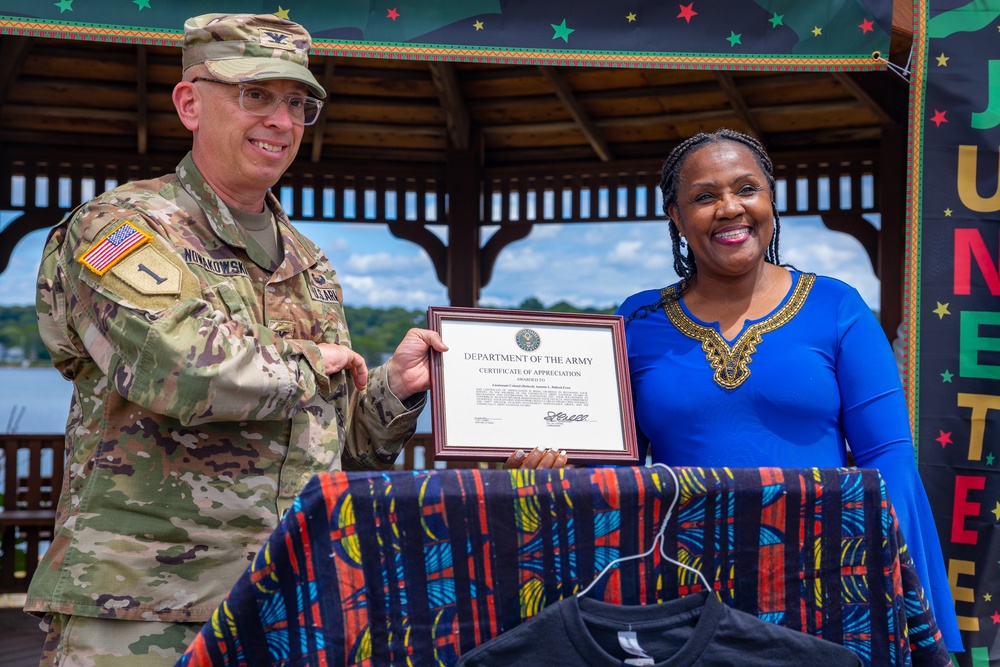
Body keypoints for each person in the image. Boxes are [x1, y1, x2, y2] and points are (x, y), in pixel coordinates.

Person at [27, 13, 449, 665]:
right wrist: (315, 365)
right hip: (142, 615)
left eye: (298, 103)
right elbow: (179, 370)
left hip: (292, 602)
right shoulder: (122, 227)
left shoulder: (308, 263)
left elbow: (337, 455)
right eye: (256, 95)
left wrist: (393, 393)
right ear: (190, 103)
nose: (282, 121)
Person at [614, 129, 963, 652]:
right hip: (685, 589)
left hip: (823, 578)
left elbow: (887, 456)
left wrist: (883, 581)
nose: (730, 208)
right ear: (676, 216)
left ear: (771, 200)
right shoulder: (636, 321)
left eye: (746, 189)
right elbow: (616, 466)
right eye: (705, 196)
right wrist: (547, 461)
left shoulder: (837, 307)